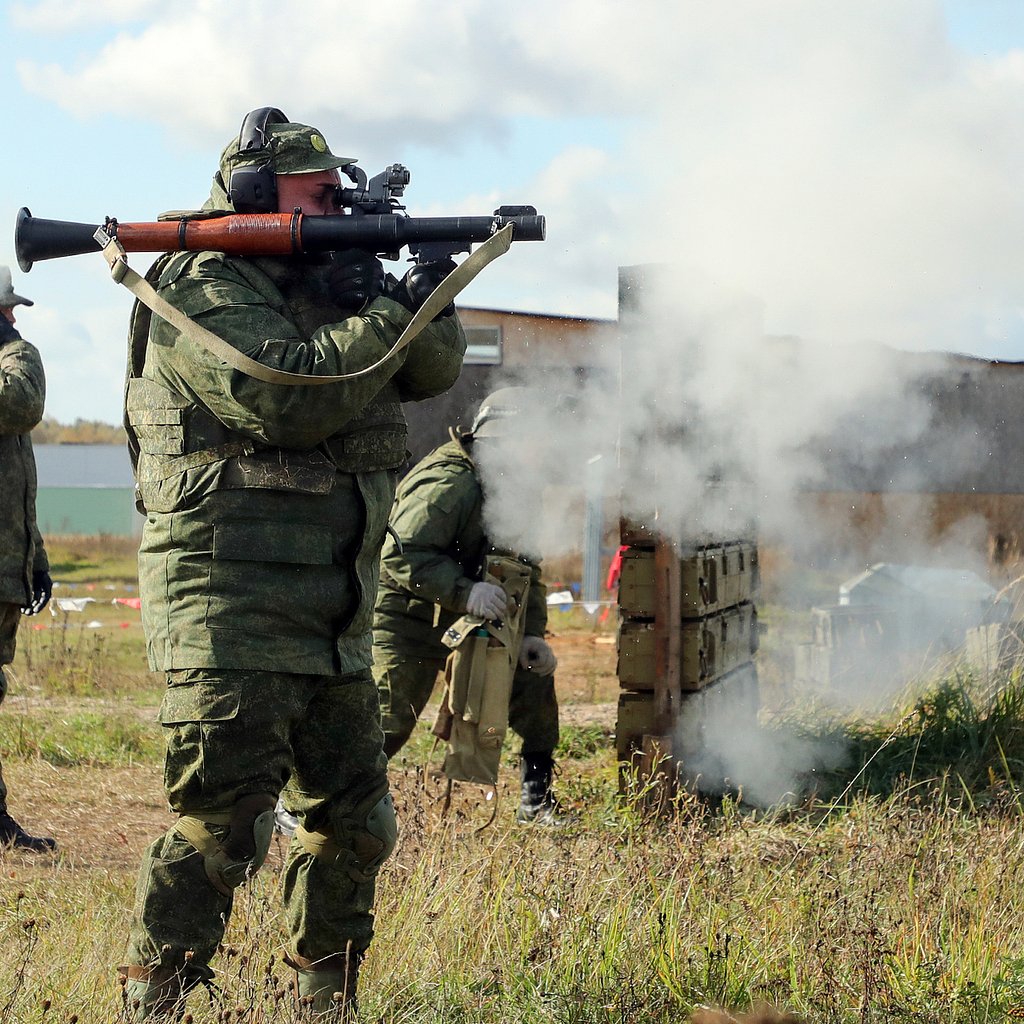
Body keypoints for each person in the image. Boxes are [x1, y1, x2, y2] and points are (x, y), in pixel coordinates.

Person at [118, 109, 466, 1020]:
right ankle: (156, 999)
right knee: (224, 831)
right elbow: (285, 397)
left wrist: (400, 289)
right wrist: (382, 309)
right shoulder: (200, 283)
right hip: (229, 600)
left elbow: (430, 370)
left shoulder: (326, 280)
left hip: (338, 609)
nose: (339, 209)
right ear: (256, 196)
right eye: (321, 197)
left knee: (355, 826)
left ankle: (326, 1000)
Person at [372, 387, 567, 824]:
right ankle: (313, 806)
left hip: (477, 609)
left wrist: (532, 633)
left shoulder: (519, 488)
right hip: (409, 612)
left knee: (533, 678)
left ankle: (536, 800)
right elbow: (401, 554)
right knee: (388, 715)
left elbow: (524, 568)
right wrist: (464, 592)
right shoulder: (449, 482)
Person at [0, 267, 55, 854]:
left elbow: (18, 487)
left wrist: (34, 558)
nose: (13, 322)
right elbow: (22, 400)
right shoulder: (12, 365)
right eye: (5, 311)